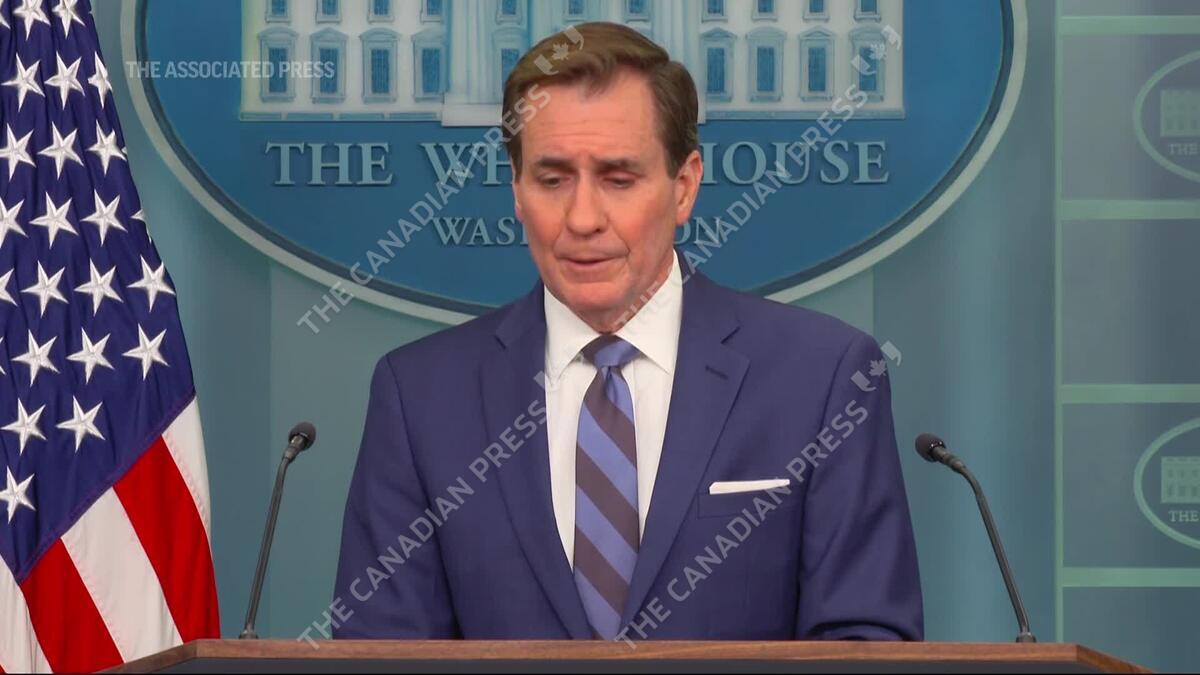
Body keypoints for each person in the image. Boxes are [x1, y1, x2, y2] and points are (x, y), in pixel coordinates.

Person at [333, 21, 922, 641]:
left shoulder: (821, 379)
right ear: (517, 191)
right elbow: (381, 650)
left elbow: (866, 645)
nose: (583, 218)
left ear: (684, 188)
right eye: (553, 179)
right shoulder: (421, 396)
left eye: (618, 179)